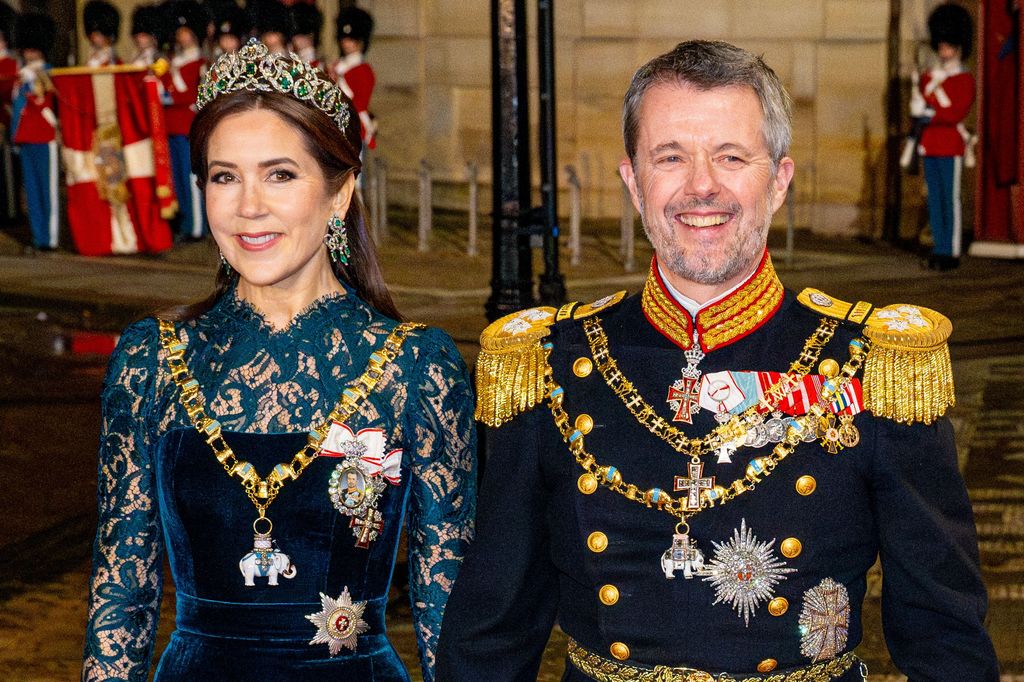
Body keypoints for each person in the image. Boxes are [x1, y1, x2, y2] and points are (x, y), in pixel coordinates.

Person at [437, 40, 998, 681]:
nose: (701, 186)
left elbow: (944, 637)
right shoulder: (549, 364)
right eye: (670, 157)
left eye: (731, 157)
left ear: (779, 181)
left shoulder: (875, 364)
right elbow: (490, 636)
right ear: (633, 181)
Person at [82, 40, 476, 681]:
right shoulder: (151, 360)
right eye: (225, 176)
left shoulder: (415, 366)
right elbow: (121, 597)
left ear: (341, 193)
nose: (248, 206)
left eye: (281, 174)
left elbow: (447, 602)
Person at [912, 3, 976, 271]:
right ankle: (939, 247)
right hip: (931, 144)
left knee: (951, 200)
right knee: (935, 199)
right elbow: (922, 109)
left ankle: (951, 250)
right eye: (941, 44)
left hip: (950, 145)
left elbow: (953, 113)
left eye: (948, 44)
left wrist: (933, 101)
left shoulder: (963, 79)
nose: (943, 50)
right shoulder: (929, 77)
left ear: (958, 46)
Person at [159, 0, 208, 240]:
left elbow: (188, 95)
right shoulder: (173, 62)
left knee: (191, 178)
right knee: (177, 179)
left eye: (186, 32)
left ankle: (197, 226)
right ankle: (185, 223)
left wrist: (173, 74)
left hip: (188, 125)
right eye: (180, 33)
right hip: (172, 126)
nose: (182, 37)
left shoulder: (199, 63)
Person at [11, 13, 58, 252]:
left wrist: (34, 81)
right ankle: (38, 236)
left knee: (46, 190)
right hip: (26, 137)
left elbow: (47, 101)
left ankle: (49, 238)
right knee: (31, 192)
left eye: (32, 50)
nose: (28, 54)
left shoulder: (48, 72)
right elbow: (18, 108)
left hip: (44, 136)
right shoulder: (22, 76)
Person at [332, 6, 375, 150]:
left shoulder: (364, 70)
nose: (346, 44)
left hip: (355, 126)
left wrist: (339, 81)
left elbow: (360, 103)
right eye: (345, 39)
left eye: (351, 40)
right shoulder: (338, 65)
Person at [83, 0, 121, 67]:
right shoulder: (91, 57)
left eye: (98, 34)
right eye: (93, 33)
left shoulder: (116, 61)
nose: (93, 37)